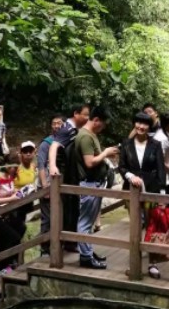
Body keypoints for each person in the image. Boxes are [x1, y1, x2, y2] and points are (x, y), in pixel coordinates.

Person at [119, 112, 167, 278]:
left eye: (144, 124)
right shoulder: (126, 144)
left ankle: (153, 263)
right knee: (135, 225)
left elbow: (161, 169)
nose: (141, 127)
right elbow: (122, 167)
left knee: (151, 224)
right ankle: (135, 263)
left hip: (151, 190)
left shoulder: (155, 144)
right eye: (138, 123)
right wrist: (131, 177)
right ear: (134, 124)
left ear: (149, 127)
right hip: (131, 191)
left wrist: (161, 194)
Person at [74, 105, 118, 269]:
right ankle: (85, 257)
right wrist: (105, 153)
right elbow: (89, 162)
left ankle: (88, 252)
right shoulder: (86, 137)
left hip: (95, 183)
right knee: (85, 222)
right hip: (89, 183)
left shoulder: (91, 134)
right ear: (96, 120)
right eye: (103, 124)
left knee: (89, 221)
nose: (103, 127)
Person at [48, 103, 91, 250]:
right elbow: (54, 146)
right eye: (85, 114)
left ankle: (71, 242)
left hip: (72, 175)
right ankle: (64, 243)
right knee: (66, 208)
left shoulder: (76, 130)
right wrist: (53, 166)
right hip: (64, 174)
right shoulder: (67, 129)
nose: (87, 118)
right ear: (76, 114)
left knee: (74, 208)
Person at [0, 166, 26, 280]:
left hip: (6, 215)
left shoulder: (10, 178)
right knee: (13, 237)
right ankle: (4, 265)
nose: (16, 169)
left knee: (0, 243)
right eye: (14, 167)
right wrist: (11, 199)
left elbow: (10, 193)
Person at [37, 115, 65, 254]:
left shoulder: (66, 141)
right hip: (47, 185)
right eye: (54, 124)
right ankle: (45, 248)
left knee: (60, 216)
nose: (56, 126)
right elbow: (41, 165)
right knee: (47, 218)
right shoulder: (46, 143)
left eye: (59, 123)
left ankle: (58, 245)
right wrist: (44, 186)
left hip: (61, 187)